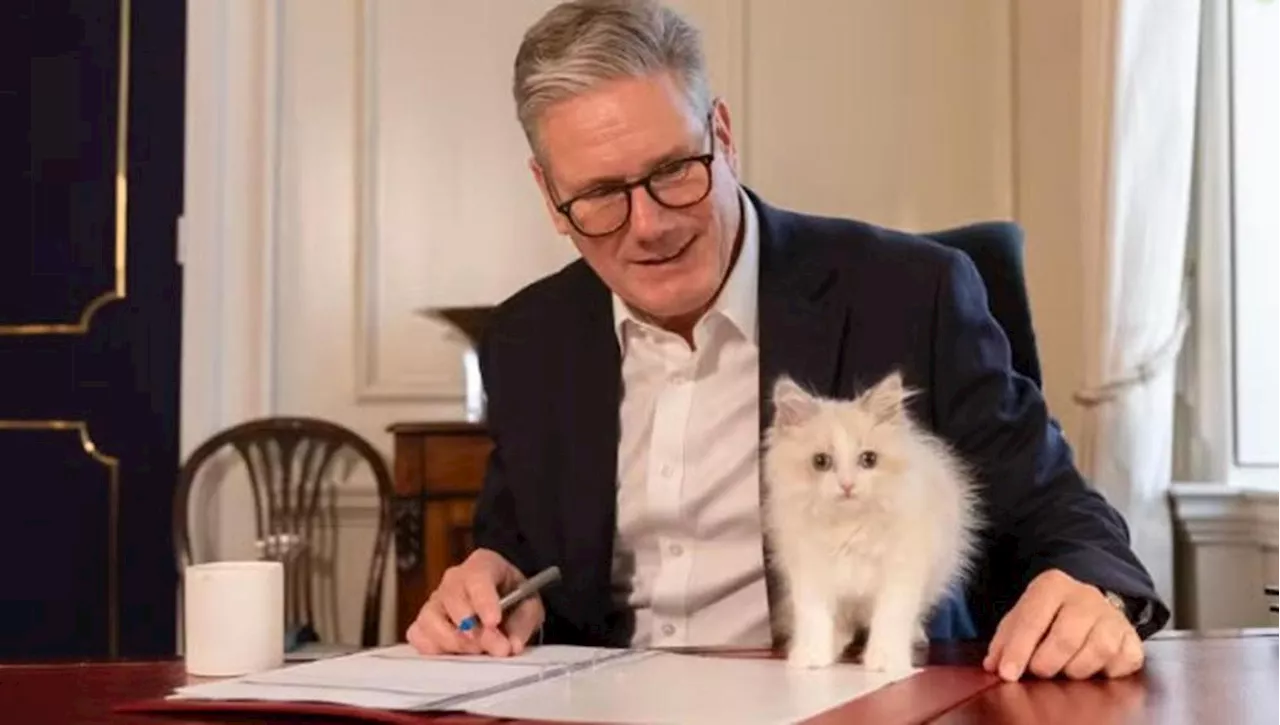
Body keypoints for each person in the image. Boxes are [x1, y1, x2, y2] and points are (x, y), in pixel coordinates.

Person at [407, 0, 1169, 682]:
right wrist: (490, 583)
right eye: (601, 195)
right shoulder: (527, 341)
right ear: (550, 196)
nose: (650, 225)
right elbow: (515, 550)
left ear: (724, 136)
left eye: (675, 170)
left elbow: (1061, 515)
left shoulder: (911, 294)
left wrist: (1087, 587)